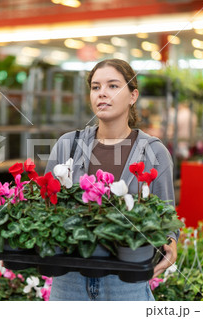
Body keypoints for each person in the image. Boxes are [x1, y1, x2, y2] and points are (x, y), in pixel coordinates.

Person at [44, 58, 179, 301]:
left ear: (132, 96)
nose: (102, 93)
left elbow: (166, 216)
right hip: (69, 282)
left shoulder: (154, 152)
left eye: (113, 86)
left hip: (124, 283)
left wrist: (171, 242)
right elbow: (43, 207)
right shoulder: (68, 145)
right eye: (96, 87)